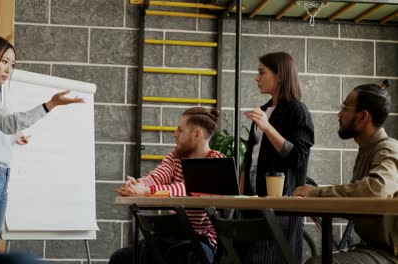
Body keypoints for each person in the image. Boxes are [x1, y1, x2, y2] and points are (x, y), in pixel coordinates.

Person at [0, 36, 84, 251]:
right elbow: (7, 123)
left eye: (12, 64)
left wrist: (14, 137)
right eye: (4, 61)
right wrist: (51, 104)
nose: (8, 69)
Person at [294, 83, 398, 264]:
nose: (339, 114)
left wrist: (315, 193)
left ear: (363, 116)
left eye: (344, 108)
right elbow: (358, 206)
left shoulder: (388, 149)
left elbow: (376, 191)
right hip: (371, 248)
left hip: (389, 254)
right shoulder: (368, 149)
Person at [110, 107, 225, 264]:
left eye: (180, 130)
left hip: (203, 238)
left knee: (177, 254)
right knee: (120, 258)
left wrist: (147, 191)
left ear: (196, 134)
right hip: (171, 234)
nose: (175, 134)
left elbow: (189, 188)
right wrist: (137, 186)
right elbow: (157, 176)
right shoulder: (176, 156)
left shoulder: (217, 161)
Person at [240, 52, 314, 263]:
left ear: (280, 75)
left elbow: (298, 157)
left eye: (262, 72)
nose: (257, 78)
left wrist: (267, 127)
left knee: (270, 256)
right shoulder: (263, 111)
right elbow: (249, 158)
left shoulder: (298, 111)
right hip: (253, 200)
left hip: (282, 203)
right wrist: (240, 198)